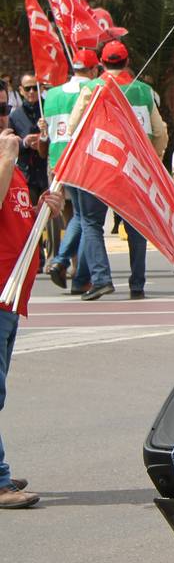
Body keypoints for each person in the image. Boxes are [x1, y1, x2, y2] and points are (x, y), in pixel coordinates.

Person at [68, 41, 169, 300]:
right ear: (127, 62)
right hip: (134, 170)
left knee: (91, 223)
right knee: (136, 226)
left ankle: (101, 280)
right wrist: (154, 158)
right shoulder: (144, 91)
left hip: (98, 168)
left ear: (101, 62)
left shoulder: (92, 88)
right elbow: (159, 132)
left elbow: (73, 127)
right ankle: (137, 284)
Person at [0, 128, 63, 508]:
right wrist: (7, 157)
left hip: (10, 296)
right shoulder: (6, 159)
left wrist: (43, 210)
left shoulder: (14, 167)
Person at [41, 50, 98, 293]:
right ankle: (73, 269)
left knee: (75, 217)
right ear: (94, 70)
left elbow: (50, 134)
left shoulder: (51, 95)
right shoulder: (96, 89)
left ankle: (67, 264)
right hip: (86, 162)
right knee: (89, 220)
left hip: (58, 164)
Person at [6, 75, 48, 201]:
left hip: (47, 174)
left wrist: (45, 136)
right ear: (21, 90)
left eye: (35, 88)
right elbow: (8, 145)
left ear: (41, 89)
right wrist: (25, 142)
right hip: (27, 175)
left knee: (55, 217)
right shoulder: (14, 115)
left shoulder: (47, 110)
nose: (31, 92)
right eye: (28, 88)